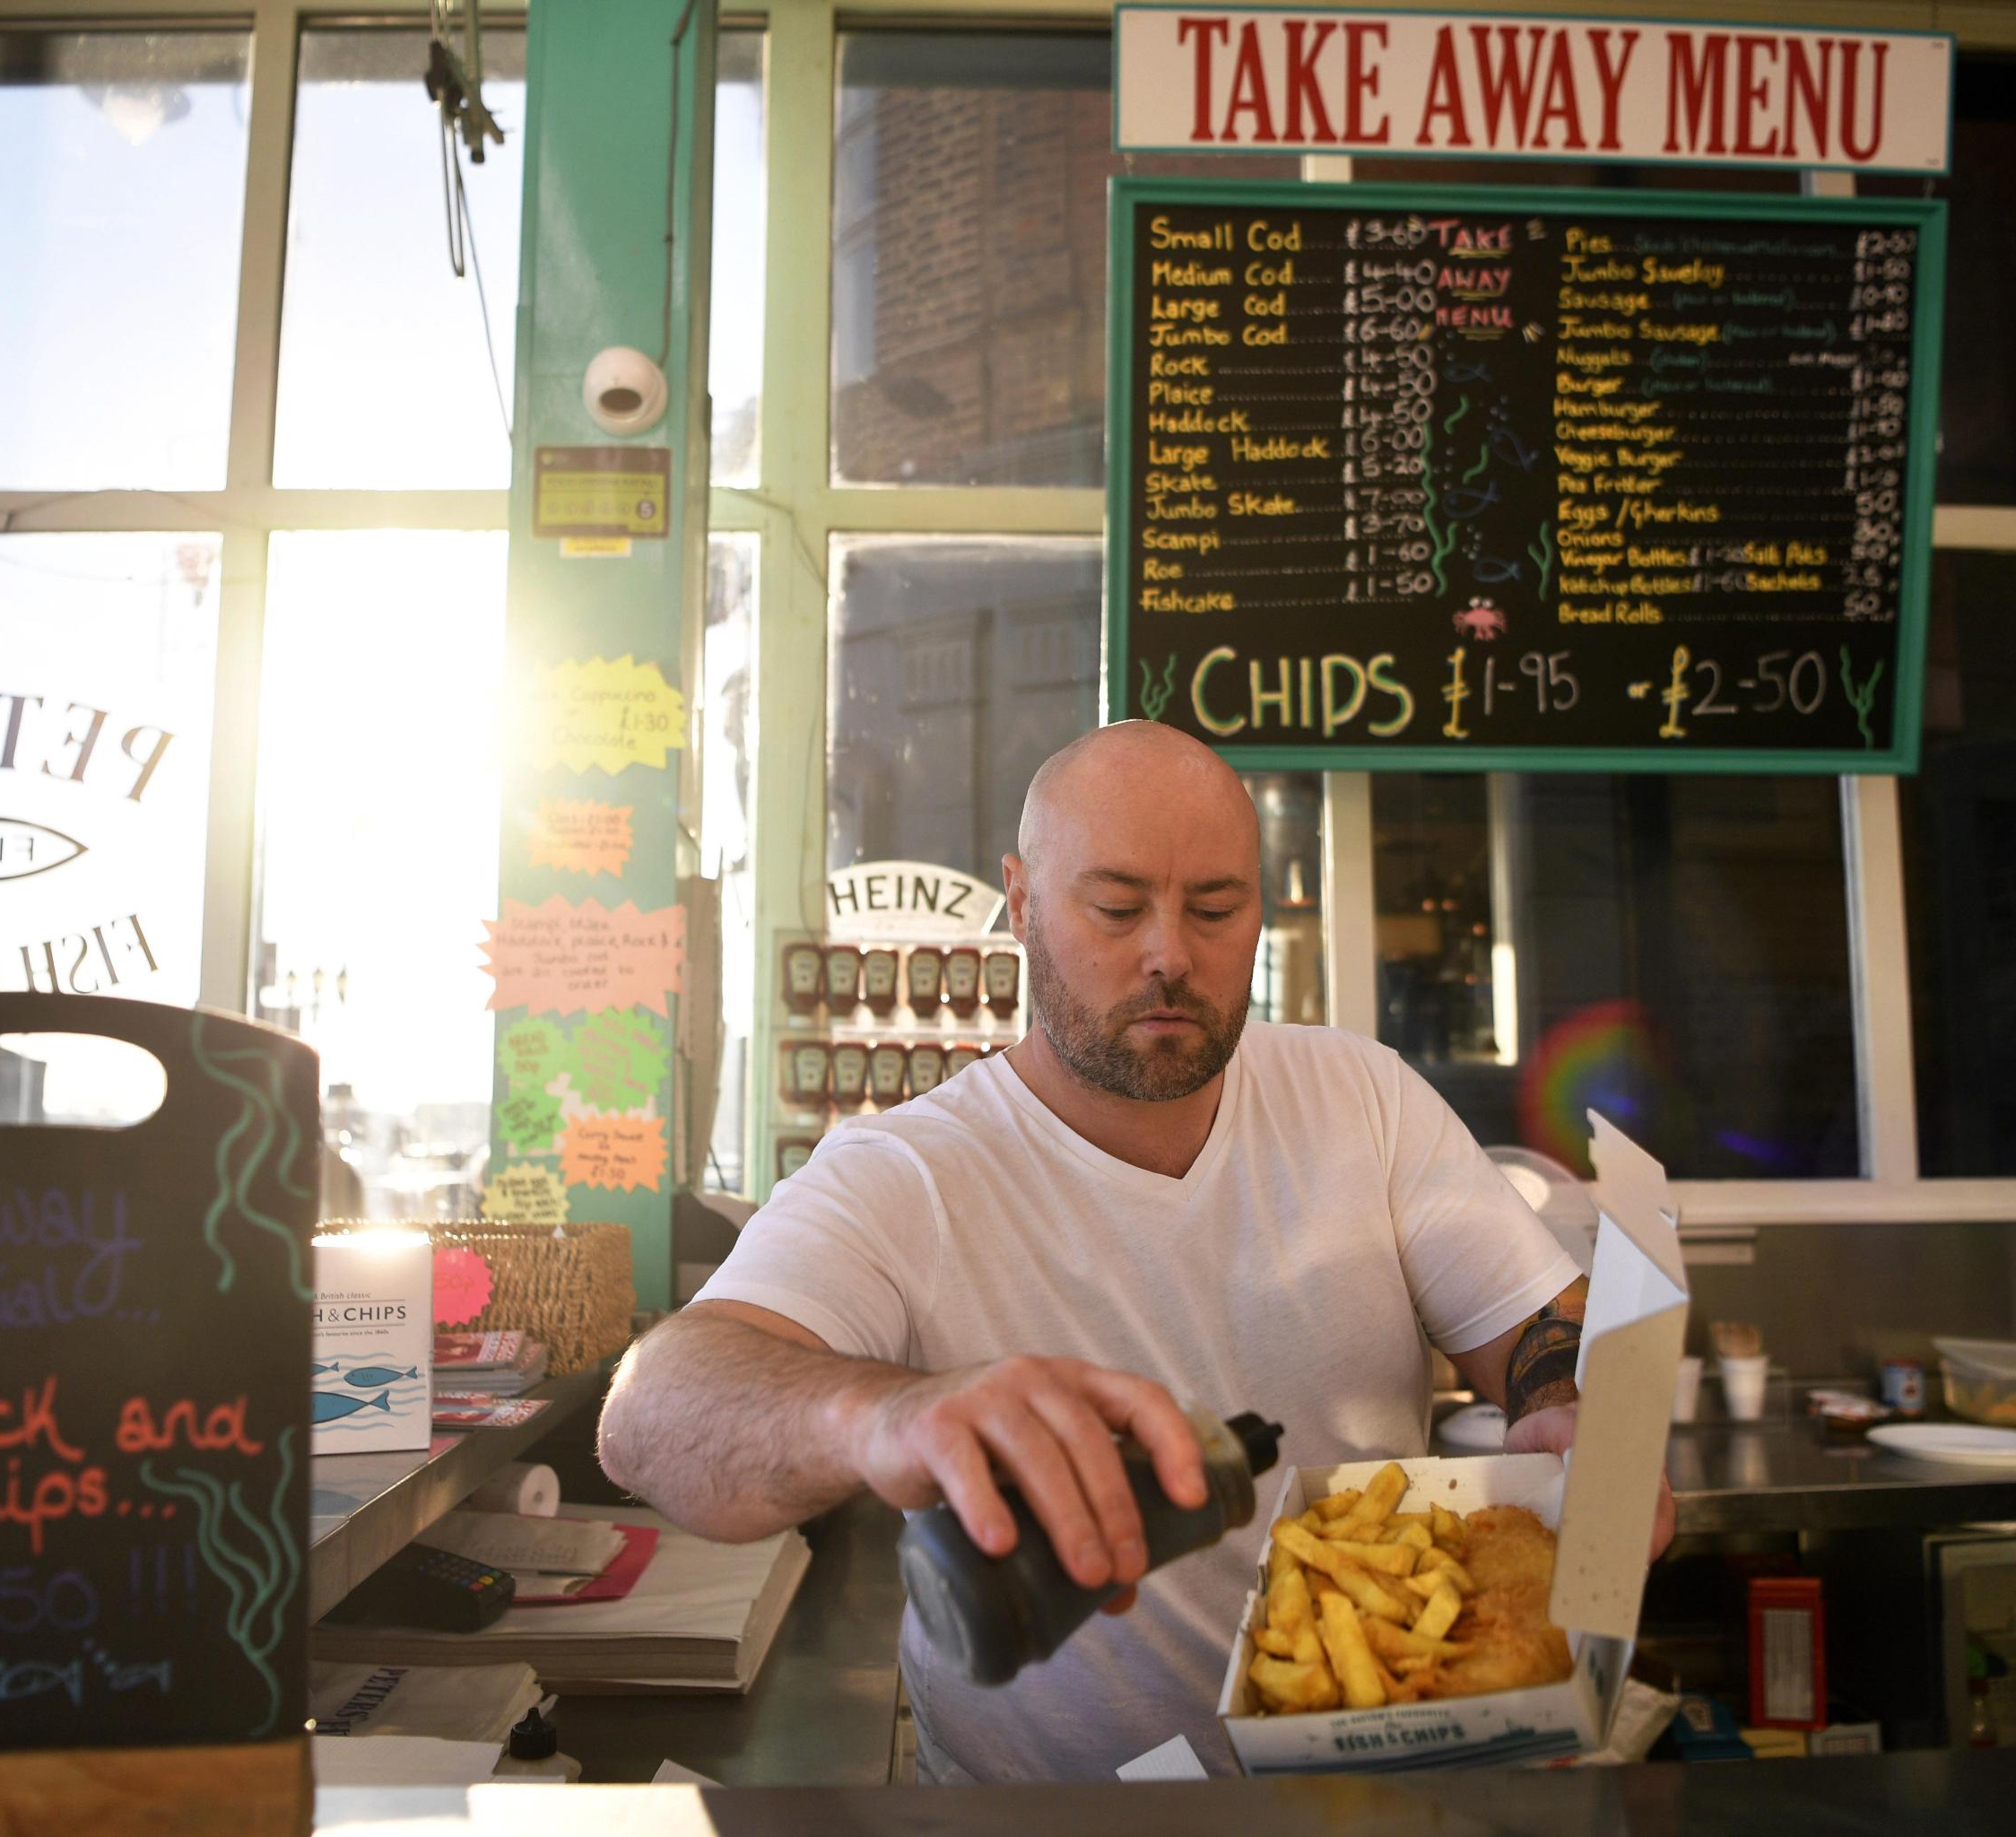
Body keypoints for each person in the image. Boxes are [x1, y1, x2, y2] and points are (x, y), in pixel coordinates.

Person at [598, 721, 1674, 1781]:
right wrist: (876, 1414)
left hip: (1365, 1798)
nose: (1171, 952)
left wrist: (1583, 1409)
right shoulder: (904, 1173)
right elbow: (652, 1416)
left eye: (1217, 907)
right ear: (1020, 902)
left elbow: (1543, 1320)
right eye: (1116, 906)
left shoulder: (1363, 1098)